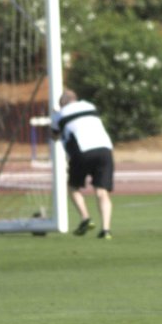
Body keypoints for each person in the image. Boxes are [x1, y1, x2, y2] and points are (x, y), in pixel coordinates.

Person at [51, 90, 115, 239]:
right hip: (105, 149)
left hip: (82, 150)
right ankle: (106, 229)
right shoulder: (90, 106)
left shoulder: (59, 115)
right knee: (102, 191)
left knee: (73, 187)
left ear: (62, 104)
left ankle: (85, 218)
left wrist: (56, 116)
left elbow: (54, 136)